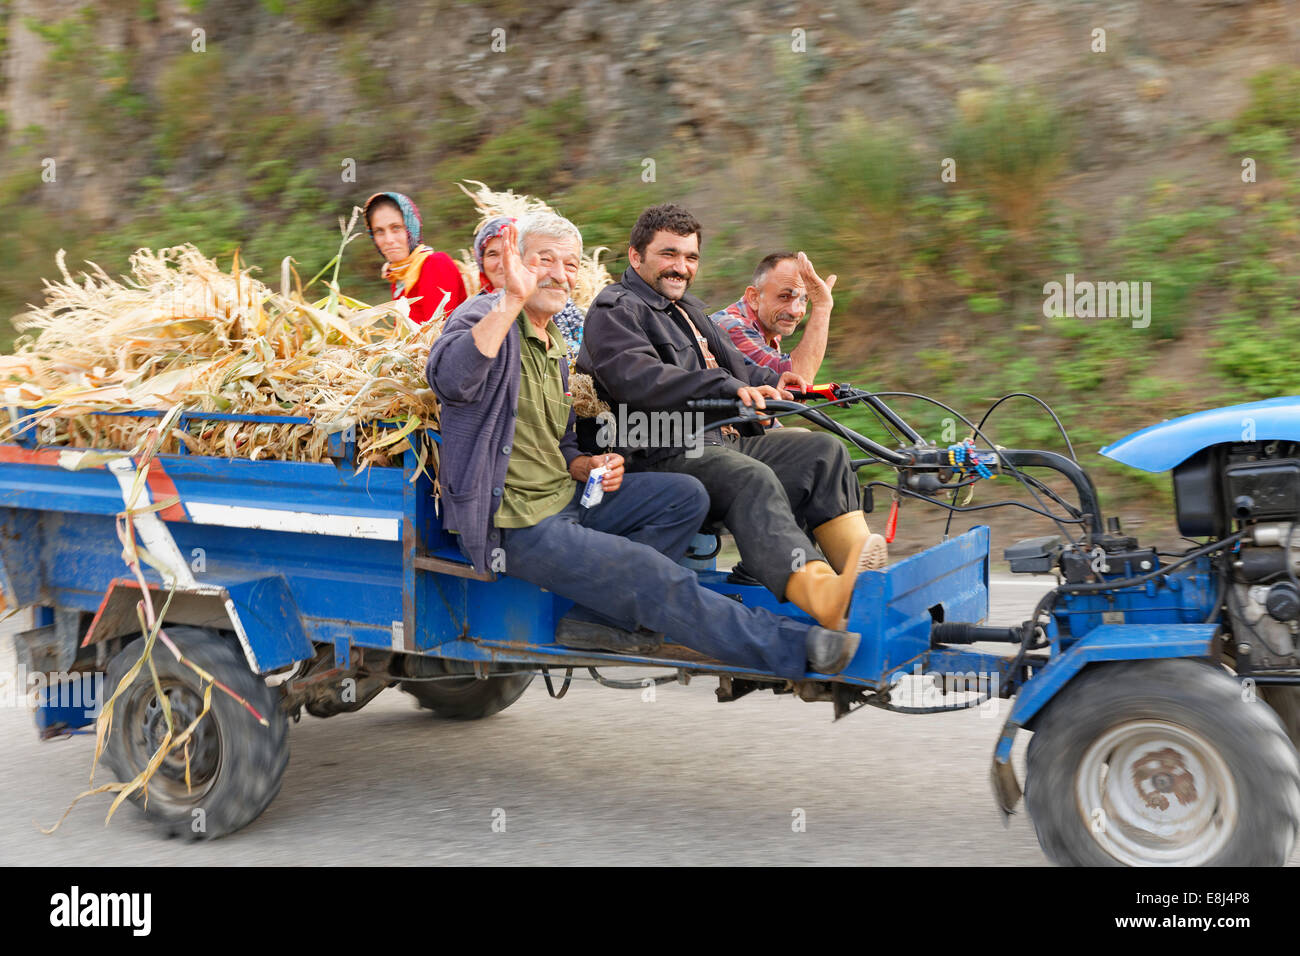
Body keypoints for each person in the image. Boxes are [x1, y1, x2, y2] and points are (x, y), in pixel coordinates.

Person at [425, 210, 861, 677]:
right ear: (514, 262)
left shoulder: (553, 342)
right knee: (650, 573)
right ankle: (797, 648)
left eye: (570, 264)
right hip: (516, 521)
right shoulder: (485, 316)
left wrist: (585, 462)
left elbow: (562, 437)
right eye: (543, 260)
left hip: (564, 495)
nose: (558, 273)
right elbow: (450, 380)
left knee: (685, 497)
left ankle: (602, 619)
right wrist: (510, 297)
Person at [578, 203, 887, 633]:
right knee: (750, 476)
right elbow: (639, 380)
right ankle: (823, 596)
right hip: (656, 447)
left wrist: (778, 383)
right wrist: (726, 390)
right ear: (636, 256)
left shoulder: (690, 309)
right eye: (668, 254)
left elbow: (736, 366)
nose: (680, 267)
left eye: (690, 257)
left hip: (717, 440)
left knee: (821, 451)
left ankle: (865, 581)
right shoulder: (616, 308)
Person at [472, 215, 585, 360]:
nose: (503, 263)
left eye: (570, 264)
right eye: (545, 260)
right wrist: (514, 298)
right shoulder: (477, 314)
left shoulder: (564, 316)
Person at [711, 251, 834, 382]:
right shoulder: (733, 327)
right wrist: (822, 306)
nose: (796, 312)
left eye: (804, 299)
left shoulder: (768, 328)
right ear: (754, 297)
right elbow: (797, 383)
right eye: (784, 297)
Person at [364, 191, 468, 325]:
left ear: (411, 227)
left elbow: (437, 336)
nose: (389, 240)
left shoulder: (435, 265)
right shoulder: (398, 278)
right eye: (379, 231)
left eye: (396, 228)